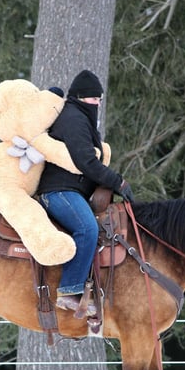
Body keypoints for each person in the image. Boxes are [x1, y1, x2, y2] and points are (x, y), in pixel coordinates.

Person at [37, 70, 134, 312]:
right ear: (80, 98)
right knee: (87, 227)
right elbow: (86, 162)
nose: (97, 104)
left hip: (72, 191)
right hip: (58, 191)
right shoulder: (74, 120)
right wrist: (118, 182)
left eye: (99, 100)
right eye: (94, 100)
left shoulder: (81, 117)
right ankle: (69, 290)